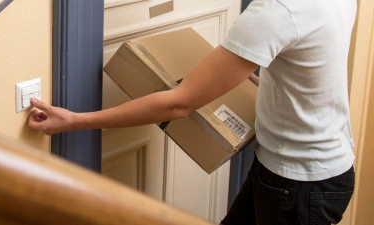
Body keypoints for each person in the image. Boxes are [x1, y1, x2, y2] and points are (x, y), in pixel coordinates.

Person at [28, 0, 357, 224]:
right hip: (319, 168)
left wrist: (74, 120)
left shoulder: (278, 12)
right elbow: (302, 66)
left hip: (297, 184)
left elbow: (178, 104)